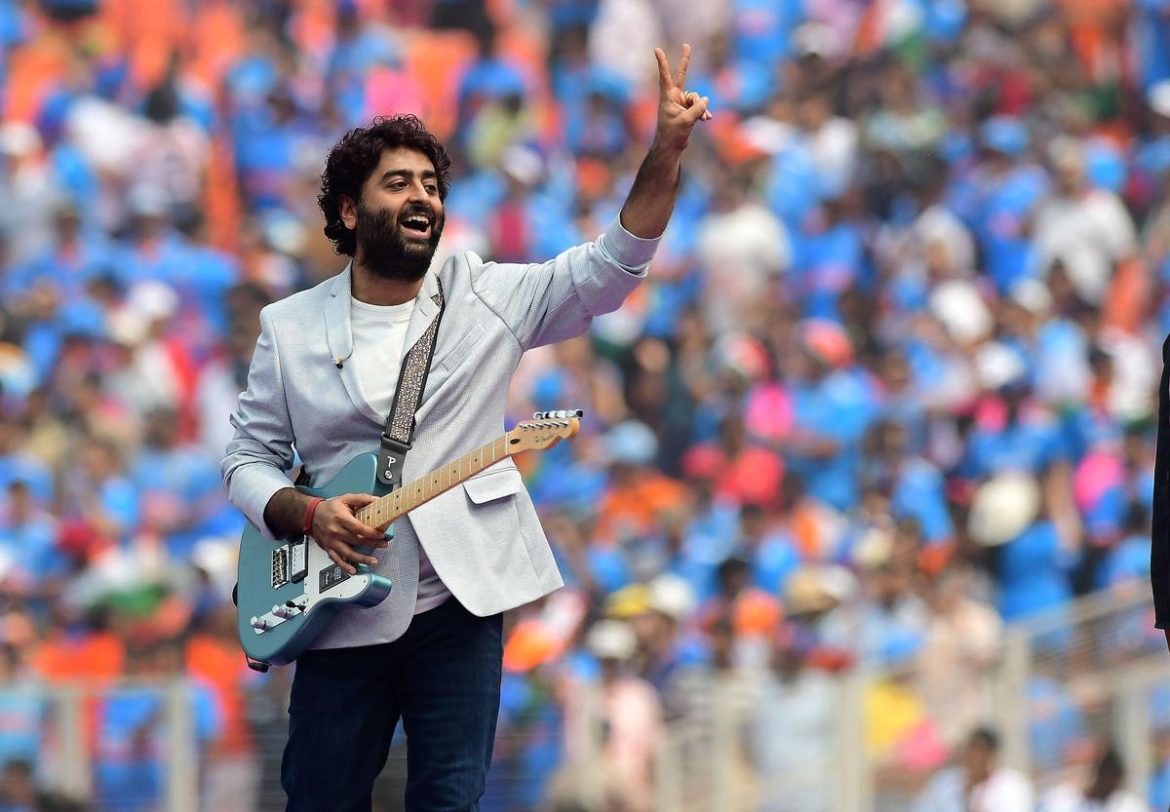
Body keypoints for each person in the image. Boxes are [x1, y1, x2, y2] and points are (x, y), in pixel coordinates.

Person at [220, 45, 711, 811]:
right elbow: (247, 457)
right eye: (397, 184)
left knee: (451, 798)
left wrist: (664, 154)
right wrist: (307, 513)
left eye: (430, 184)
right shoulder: (290, 328)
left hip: (462, 602)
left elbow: (614, 267)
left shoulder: (483, 294)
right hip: (337, 611)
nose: (421, 197)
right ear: (349, 211)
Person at [912, 726, 1033, 812]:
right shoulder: (944, 783)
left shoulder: (1012, 786)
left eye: (984, 752)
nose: (977, 758)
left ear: (993, 755)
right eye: (974, 750)